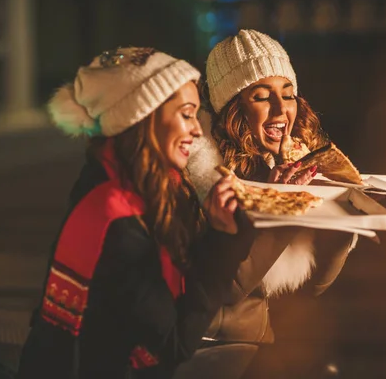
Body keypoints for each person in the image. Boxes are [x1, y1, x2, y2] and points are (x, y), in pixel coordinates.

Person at [15, 47, 257, 379]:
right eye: (187, 114)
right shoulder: (114, 218)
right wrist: (225, 240)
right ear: (143, 117)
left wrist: (220, 226)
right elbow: (173, 343)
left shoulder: (147, 187)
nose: (198, 130)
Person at [177, 29, 360, 377]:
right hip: (204, 349)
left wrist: (341, 228)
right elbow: (228, 287)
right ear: (232, 108)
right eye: (261, 96)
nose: (281, 109)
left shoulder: (282, 165)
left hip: (257, 345)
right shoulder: (201, 175)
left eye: (288, 95)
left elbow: (309, 287)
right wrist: (279, 208)